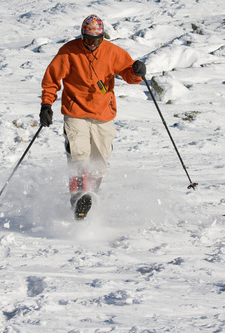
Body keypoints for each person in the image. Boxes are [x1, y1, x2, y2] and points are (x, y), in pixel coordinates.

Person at [39, 14, 146, 218]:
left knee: (100, 162)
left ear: (102, 38)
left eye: (96, 40)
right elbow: (51, 80)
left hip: (103, 114)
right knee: (79, 156)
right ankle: (78, 198)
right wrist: (46, 104)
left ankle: (90, 199)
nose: (91, 45)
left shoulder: (112, 52)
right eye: (87, 40)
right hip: (75, 112)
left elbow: (129, 75)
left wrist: (137, 72)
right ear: (82, 37)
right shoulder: (68, 52)